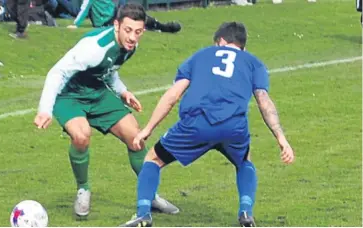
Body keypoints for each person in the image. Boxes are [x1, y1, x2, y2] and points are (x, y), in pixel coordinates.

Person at [120, 21, 295, 227]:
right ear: (243, 47)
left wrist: (147, 129)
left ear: (220, 42)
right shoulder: (253, 62)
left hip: (196, 124)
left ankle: (143, 215)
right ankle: (246, 213)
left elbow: (173, 95)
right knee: (244, 161)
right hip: (233, 128)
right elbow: (264, 101)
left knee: (153, 159)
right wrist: (281, 138)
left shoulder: (201, 55)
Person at [33, 3, 179, 217]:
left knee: (135, 137)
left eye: (137, 32)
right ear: (117, 25)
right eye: (128, 30)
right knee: (82, 136)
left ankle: (151, 196)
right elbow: (57, 73)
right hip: (69, 95)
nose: (132, 37)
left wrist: (123, 92)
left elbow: (109, 71)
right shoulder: (94, 47)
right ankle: (83, 189)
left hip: (98, 93)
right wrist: (45, 109)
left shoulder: (130, 47)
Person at [66, 0, 181, 33]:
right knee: (133, 15)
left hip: (113, 14)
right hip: (106, 21)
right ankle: (162, 27)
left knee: (134, 13)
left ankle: (160, 27)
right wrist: (76, 24)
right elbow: (84, 8)